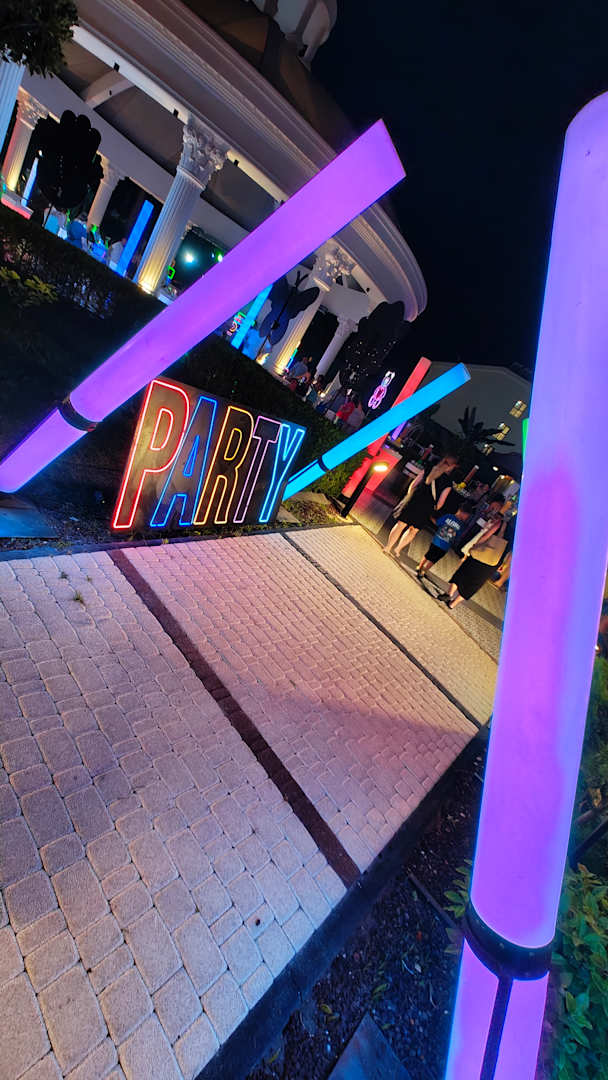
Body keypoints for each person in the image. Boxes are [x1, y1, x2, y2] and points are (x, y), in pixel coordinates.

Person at [383, 455, 459, 557]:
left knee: (401, 524)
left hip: (415, 499)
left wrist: (409, 496)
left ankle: (388, 547)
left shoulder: (429, 468)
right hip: (427, 507)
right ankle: (397, 550)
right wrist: (435, 509)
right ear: (452, 466)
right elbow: (441, 501)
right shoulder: (448, 482)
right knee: (413, 530)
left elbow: (414, 484)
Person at [437, 504, 508, 609]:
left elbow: (486, 536)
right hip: (494, 562)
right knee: (474, 583)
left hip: (481, 552)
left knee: (463, 572)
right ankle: (453, 604)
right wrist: (504, 565)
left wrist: (475, 545)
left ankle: (449, 594)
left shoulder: (502, 524)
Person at [416, 502, 473, 580]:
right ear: (463, 512)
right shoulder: (460, 525)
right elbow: (457, 536)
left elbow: (438, 523)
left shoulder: (448, 516)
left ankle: (420, 567)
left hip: (437, 541)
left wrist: (431, 517)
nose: (467, 518)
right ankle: (423, 570)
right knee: (433, 558)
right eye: (467, 516)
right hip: (444, 545)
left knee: (429, 555)